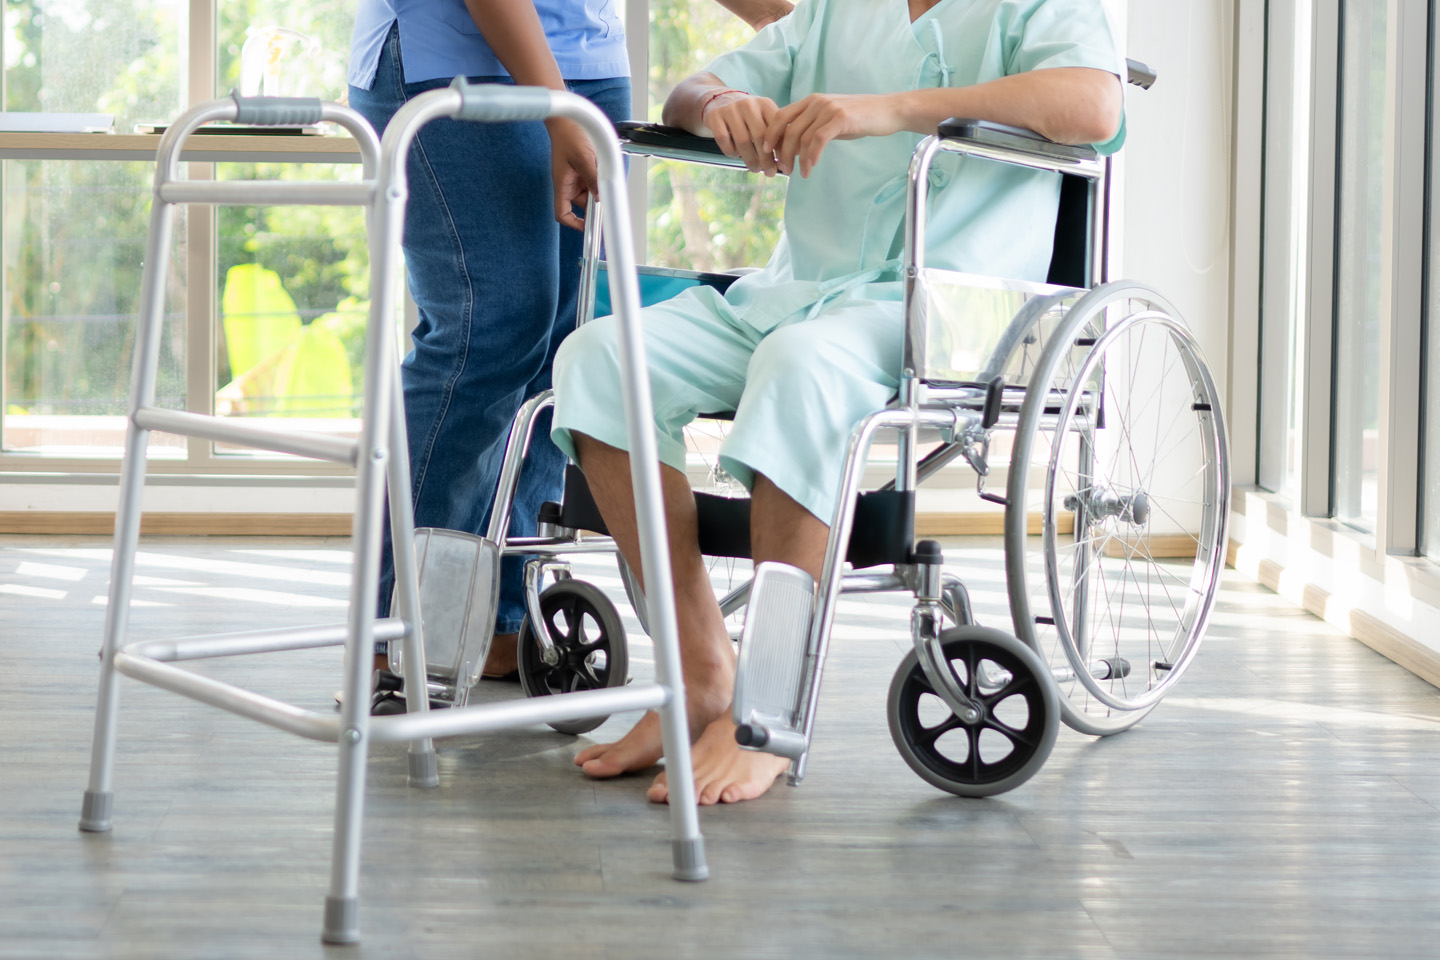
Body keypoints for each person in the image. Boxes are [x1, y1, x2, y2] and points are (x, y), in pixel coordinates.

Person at [549, 0, 1126, 803]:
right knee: (599, 358)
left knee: (801, 366)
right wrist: (721, 105)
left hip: (943, 306)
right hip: (797, 294)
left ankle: (767, 710)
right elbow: (690, 92)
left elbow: (1095, 105)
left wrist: (889, 110)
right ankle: (701, 677)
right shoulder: (835, 9)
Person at [347, 0, 792, 695]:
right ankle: (401, 627)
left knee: (565, 339)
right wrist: (556, 112)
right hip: (451, 55)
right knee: (489, 327)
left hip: (588, 63)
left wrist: (791, 21)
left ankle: (504, 619)